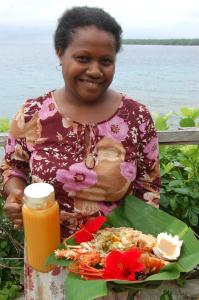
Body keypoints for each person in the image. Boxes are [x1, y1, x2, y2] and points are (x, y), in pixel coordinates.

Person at [0, 6, 160, 300]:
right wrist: (16, 194)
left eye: (106, 61)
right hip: (48, 257)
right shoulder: (33, 113)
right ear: (60, 53)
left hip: (113, 264)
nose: (96, 70)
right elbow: (13, 167)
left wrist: (140, 249)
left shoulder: (137, 117)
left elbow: (149, 186)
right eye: (83, 58)